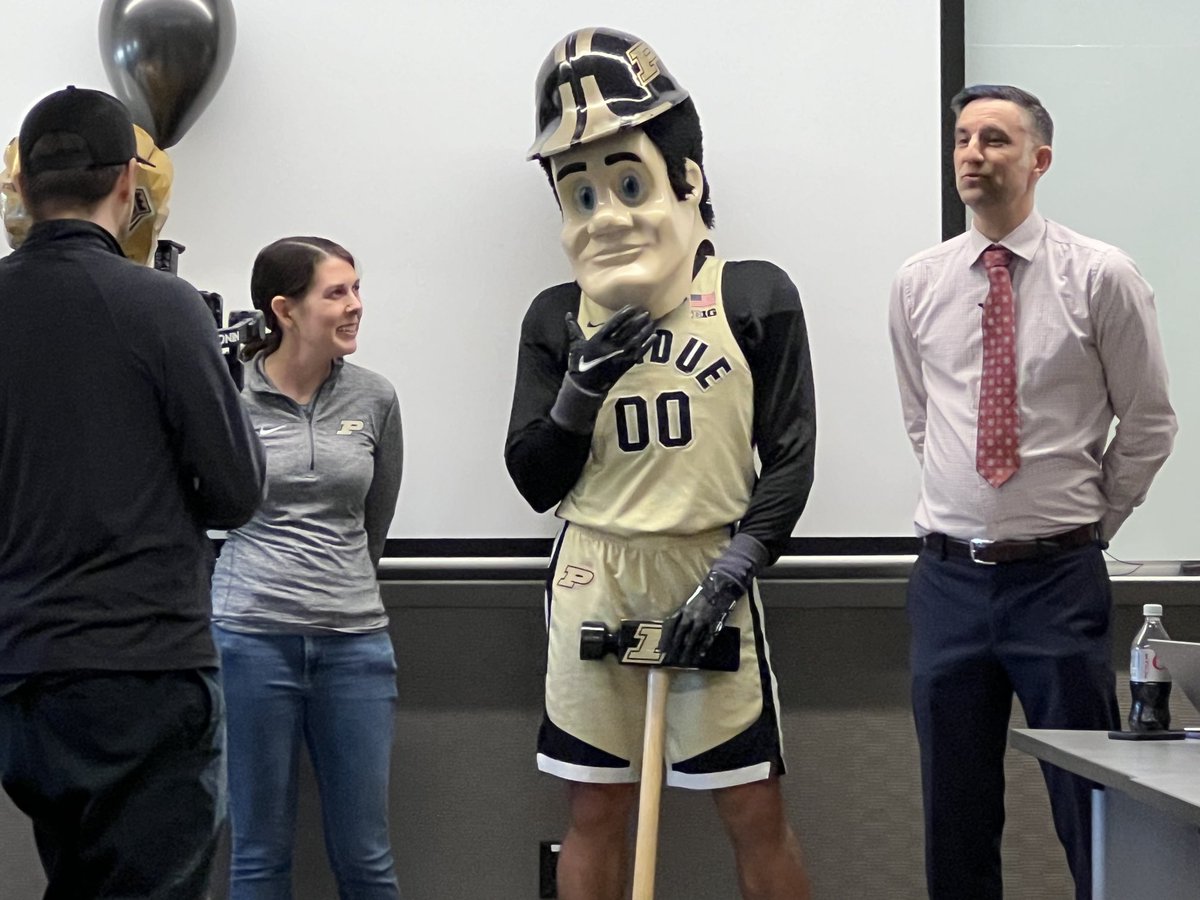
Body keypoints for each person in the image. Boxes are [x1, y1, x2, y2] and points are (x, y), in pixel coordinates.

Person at [506, 28, 815, 900]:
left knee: (752, 808)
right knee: (596, 813)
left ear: (688, 177)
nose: (608, 213)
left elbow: (790, 459)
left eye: (628, 181)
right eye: (583, 191)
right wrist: (577, 393)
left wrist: (727, 580)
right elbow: (535, 478)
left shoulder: (751, 297)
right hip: (594, 572)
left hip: (706, 561)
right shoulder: (558, 318)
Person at [888, 84, 1177, 900]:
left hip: (1057, 583)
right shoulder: (919, 283)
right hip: (946, 582)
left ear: (1039, 160)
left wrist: (1090, 525)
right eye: (962, 139)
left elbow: (1150, 424)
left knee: (1090, 808)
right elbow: (924, 421)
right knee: (956, 812)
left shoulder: (1101, 277)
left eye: (995, 140)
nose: (972, 154)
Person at [0, 86, 264, 898]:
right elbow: (234, 492)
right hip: (145, 673)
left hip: (22, 677)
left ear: (23, 188)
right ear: (128, 186)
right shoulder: (162, 306)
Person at [211, 236, 404, 899]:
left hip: (355, 647)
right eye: (336, 293)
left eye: (356, 289)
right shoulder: (228, 396)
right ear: (284, 310)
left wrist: (341, 588)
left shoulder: (374, 399)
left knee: (367, 859)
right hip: (250, 641)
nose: (355, 307)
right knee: (259, 856)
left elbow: (374, 522)